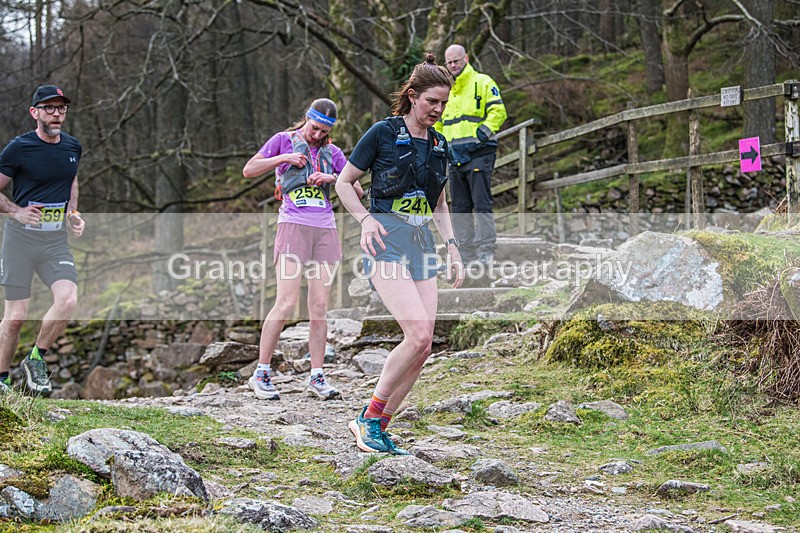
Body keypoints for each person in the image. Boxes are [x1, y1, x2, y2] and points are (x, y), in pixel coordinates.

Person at [336, 54, 465, 454]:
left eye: (444, 104)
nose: (438, 111)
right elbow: (343, 183)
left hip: (422, 243)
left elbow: (439, 203)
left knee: (424, 347)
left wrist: (453, 246)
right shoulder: (382, 133)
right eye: (432, 102)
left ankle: (378, 425)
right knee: (417, 334)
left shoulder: (441, 145)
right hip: (385, 241)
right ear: (412, 97)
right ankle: (367, 419)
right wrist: (365, 220)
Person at [243, 98, 361, 401]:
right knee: (286, 301)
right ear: (306, 120)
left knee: (319, 307)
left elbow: (358, 188)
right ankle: (262, 372)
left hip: (324, 228)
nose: (317, 135)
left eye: (324, 132)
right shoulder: (283, 140)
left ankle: (317, 375)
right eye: (314, 128)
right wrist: (282, 159)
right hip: (293, 225)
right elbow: (249, 169)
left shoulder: (332, 152)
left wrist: (332, 177)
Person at [0, 84, 85, 394]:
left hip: (54, 242)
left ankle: (37, 357)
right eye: (49, 107)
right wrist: (16, 211)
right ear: (34, 113)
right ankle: (1, 380)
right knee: (15, 318)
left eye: (61, 107)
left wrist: (73, 213)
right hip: (19, 241)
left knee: (68, 299)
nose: (57, 113)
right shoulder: (18, 148)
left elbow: (72, 182)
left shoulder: (72, 147)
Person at [436, 44, 508, 264]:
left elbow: (499, 111)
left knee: (481, 201)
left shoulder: (483, 82)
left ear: (466, 58)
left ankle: (486, 250)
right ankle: (465, 254)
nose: (453, 65)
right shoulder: (445, 90)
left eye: (456, 61)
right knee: (459, 205)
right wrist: (443, 146)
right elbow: (438, 122)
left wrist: (480, 136)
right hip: (454, 156)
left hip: (480, 153)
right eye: (448, 62)